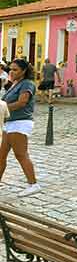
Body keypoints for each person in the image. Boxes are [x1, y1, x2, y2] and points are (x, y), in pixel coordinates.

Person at [0, 59, 42, 196]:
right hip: (10, 123)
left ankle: (33, 184)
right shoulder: (14, 84)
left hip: (20, 122)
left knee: (21, 154)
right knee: (1, 156)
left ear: (24, 71)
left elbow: (22, 102)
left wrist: (3, 108)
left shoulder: (27, 84)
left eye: (15, 69)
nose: (11, 72)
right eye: (10, 69)